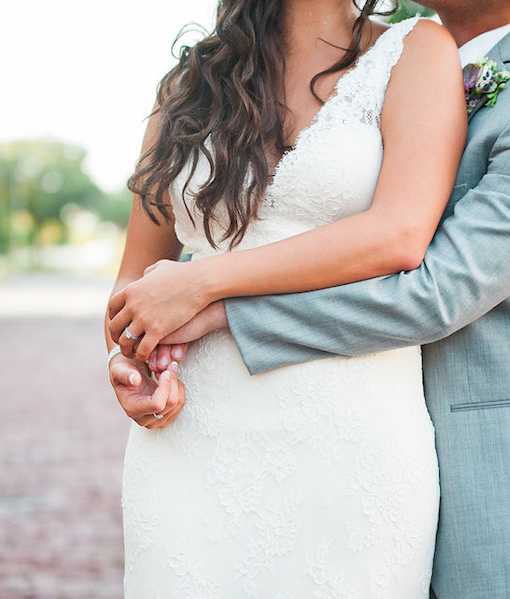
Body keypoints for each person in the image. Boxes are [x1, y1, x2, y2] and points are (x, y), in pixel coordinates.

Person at [108, 0, 510, 598]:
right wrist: (132, 349)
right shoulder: (200, 80)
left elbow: (432, 294)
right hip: (208, 440)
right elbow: (137, 275)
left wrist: (210, 299)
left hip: (504, 506)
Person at [106, 0, 468, 595]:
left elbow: (400, 235)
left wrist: (203, 280)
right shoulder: (185, 84)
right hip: (190, 442)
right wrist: (128, 356)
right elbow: (135, 282)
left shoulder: (417, 51)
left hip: (350, 440)